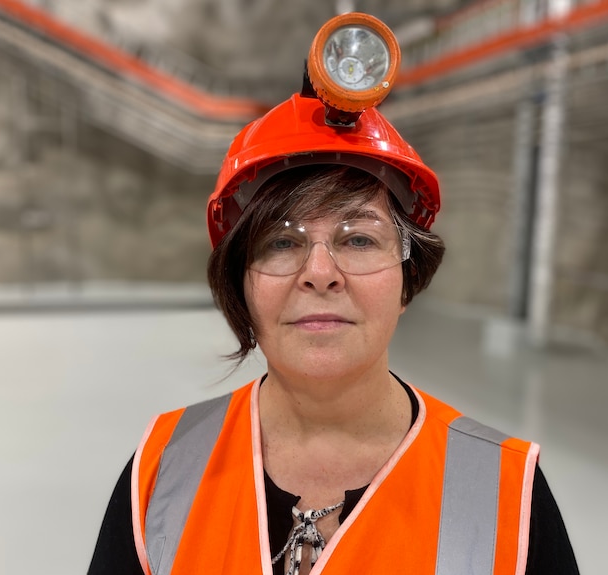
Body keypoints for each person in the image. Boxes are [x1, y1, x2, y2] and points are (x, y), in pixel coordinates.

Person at [89, 12, 578, 575]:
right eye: (279, 243)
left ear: (407, 274)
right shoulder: (162, 467)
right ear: (240, 281)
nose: (320, 273)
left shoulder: (504, 491)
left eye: (359, 238)